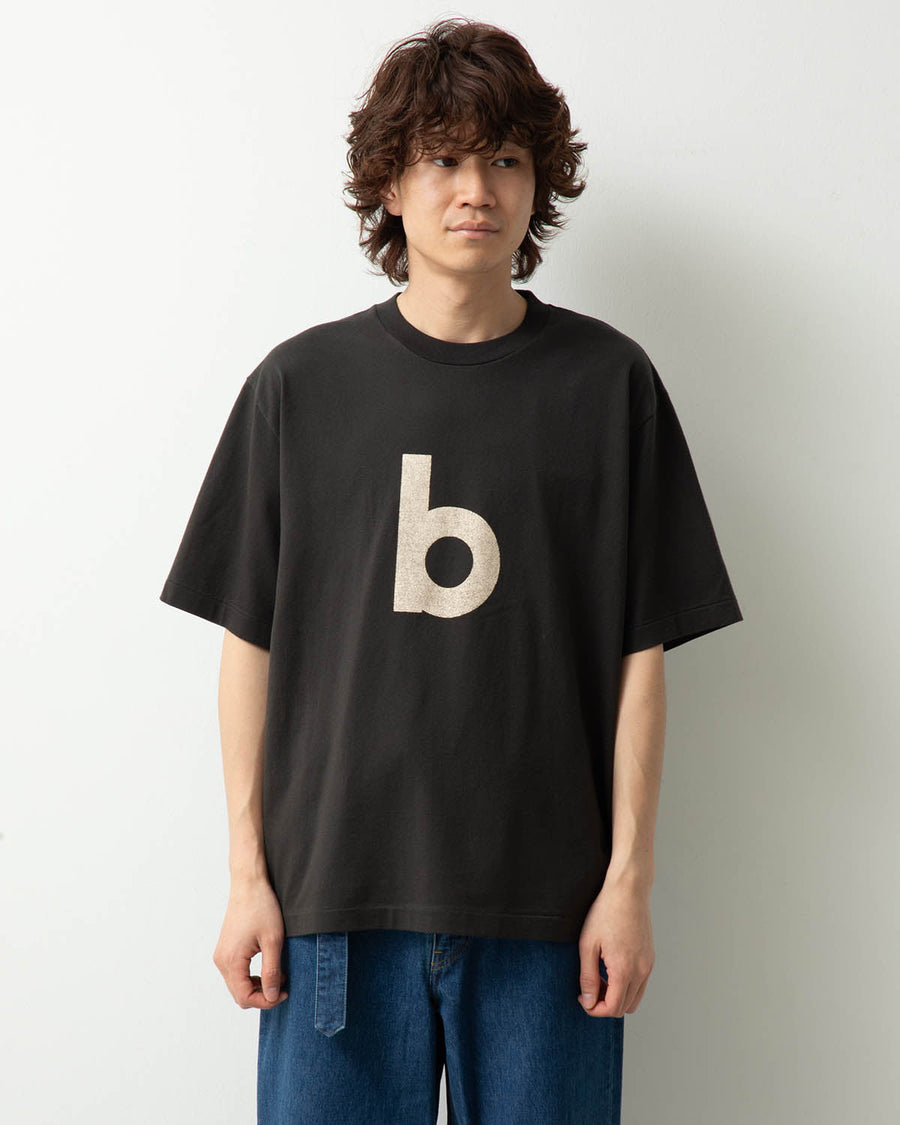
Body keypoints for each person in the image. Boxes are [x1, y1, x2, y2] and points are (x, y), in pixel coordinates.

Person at [159, 17, 743, 1125]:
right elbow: (250, 646)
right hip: (334, 911)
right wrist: (247, 877)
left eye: (506, 159)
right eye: (443, 158)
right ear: (389, 185)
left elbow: (641, 659)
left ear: (539, 184)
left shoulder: (609, 386)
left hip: (549, 918)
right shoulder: (298, 388)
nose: (477, 189)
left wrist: (627, 885)